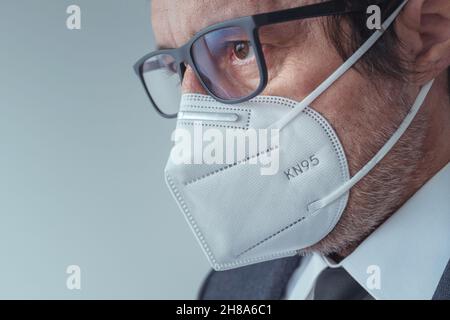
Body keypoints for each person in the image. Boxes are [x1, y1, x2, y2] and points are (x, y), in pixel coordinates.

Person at [135, 0, 450, 300]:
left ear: (427, 32)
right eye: (179, 69)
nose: (196, 117)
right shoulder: (229, 289)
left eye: (239, 48)